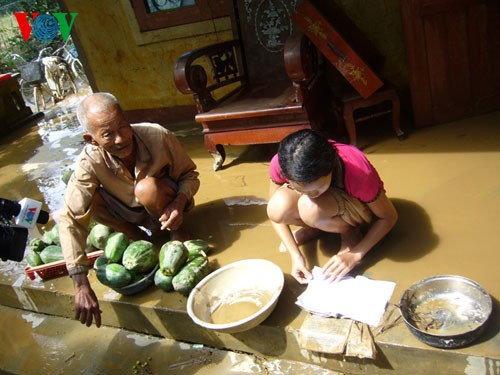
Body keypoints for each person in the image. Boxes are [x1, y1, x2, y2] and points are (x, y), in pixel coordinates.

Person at [58, 92, 200, 327]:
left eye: (123, 127)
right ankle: (134, 234)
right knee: (85, 198)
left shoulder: (156, 135)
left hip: (164, 202)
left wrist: (179, 202)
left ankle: (177, 231)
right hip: (129, 213)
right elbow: (71, 217)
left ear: (127, 118)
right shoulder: (88, 162)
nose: (120, 139)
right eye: (107, 134)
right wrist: (80, 282)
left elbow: (189, 175)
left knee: (146, 188)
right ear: (90, 138)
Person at [267, 129, 397, 284]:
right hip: (323, 209)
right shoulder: (282, 162)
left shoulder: (357, 171)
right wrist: (296, 256)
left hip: (358, 210)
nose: (313, 194)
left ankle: (350, 232)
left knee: (309, 207)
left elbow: (388, 217)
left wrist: (355, 254)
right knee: (277, 206)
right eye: (301, 190)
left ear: (330, 168)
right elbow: (274, 215)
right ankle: (314, 227)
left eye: (318, 188)